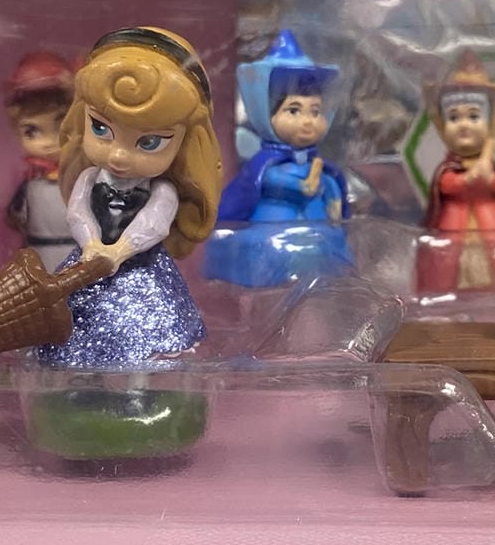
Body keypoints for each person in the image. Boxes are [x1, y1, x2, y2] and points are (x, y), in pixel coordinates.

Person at [33, 26, 222, 369]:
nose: (119, 156)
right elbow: (78, 214)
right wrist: (92, 246)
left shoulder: (161, 191)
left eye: (149, 142)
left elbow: (154, 224)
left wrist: (119, 251)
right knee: (66, 336)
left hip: (142, 274)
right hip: (89, 262)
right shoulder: (90, 178)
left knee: (151, 345)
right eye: (101, 129)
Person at [206, 30, 351, 288]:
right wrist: (300, 185)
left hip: (317, 231)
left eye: (315, 111)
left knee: (328, 263)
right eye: (293, 110)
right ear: (265, 112)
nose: (308, 121)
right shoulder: (266, 166)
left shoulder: (321, 167)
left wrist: (331, 194)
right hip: (274, 231)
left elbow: (331, 190)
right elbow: (272, 182)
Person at [416, 51, 495, 298]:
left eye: (473, 116)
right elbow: (445, 185)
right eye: (454, 117)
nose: (464, 124)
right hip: (453, 226)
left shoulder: (490, 165)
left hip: (491, 224)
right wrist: (466, 180)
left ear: (487, 123)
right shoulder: (447, 168)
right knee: (448, 268)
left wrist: (490, 180)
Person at [3, 50, 76, 271]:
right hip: (40, 258)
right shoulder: (32, 182)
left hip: (81, 257)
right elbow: (16, 217)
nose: (48, 143)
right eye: (31, 132)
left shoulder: (85, 177)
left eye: (60, 126)